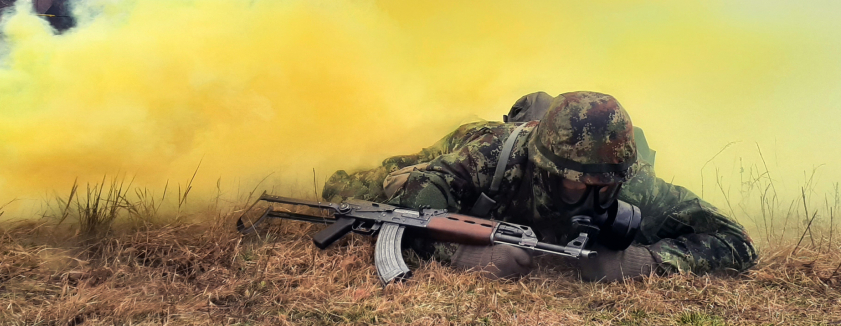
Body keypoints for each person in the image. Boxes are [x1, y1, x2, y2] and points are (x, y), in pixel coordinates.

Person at [323, 91, 757, 281]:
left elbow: (734, 240)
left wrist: (645, 261)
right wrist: (459, 254)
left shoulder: (632, 184)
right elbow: (413, 204)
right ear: (544, 169)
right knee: (375, 182)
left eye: (602, 189)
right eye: (575, 184)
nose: (591, 199)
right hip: (474, 144)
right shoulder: (493, 156)